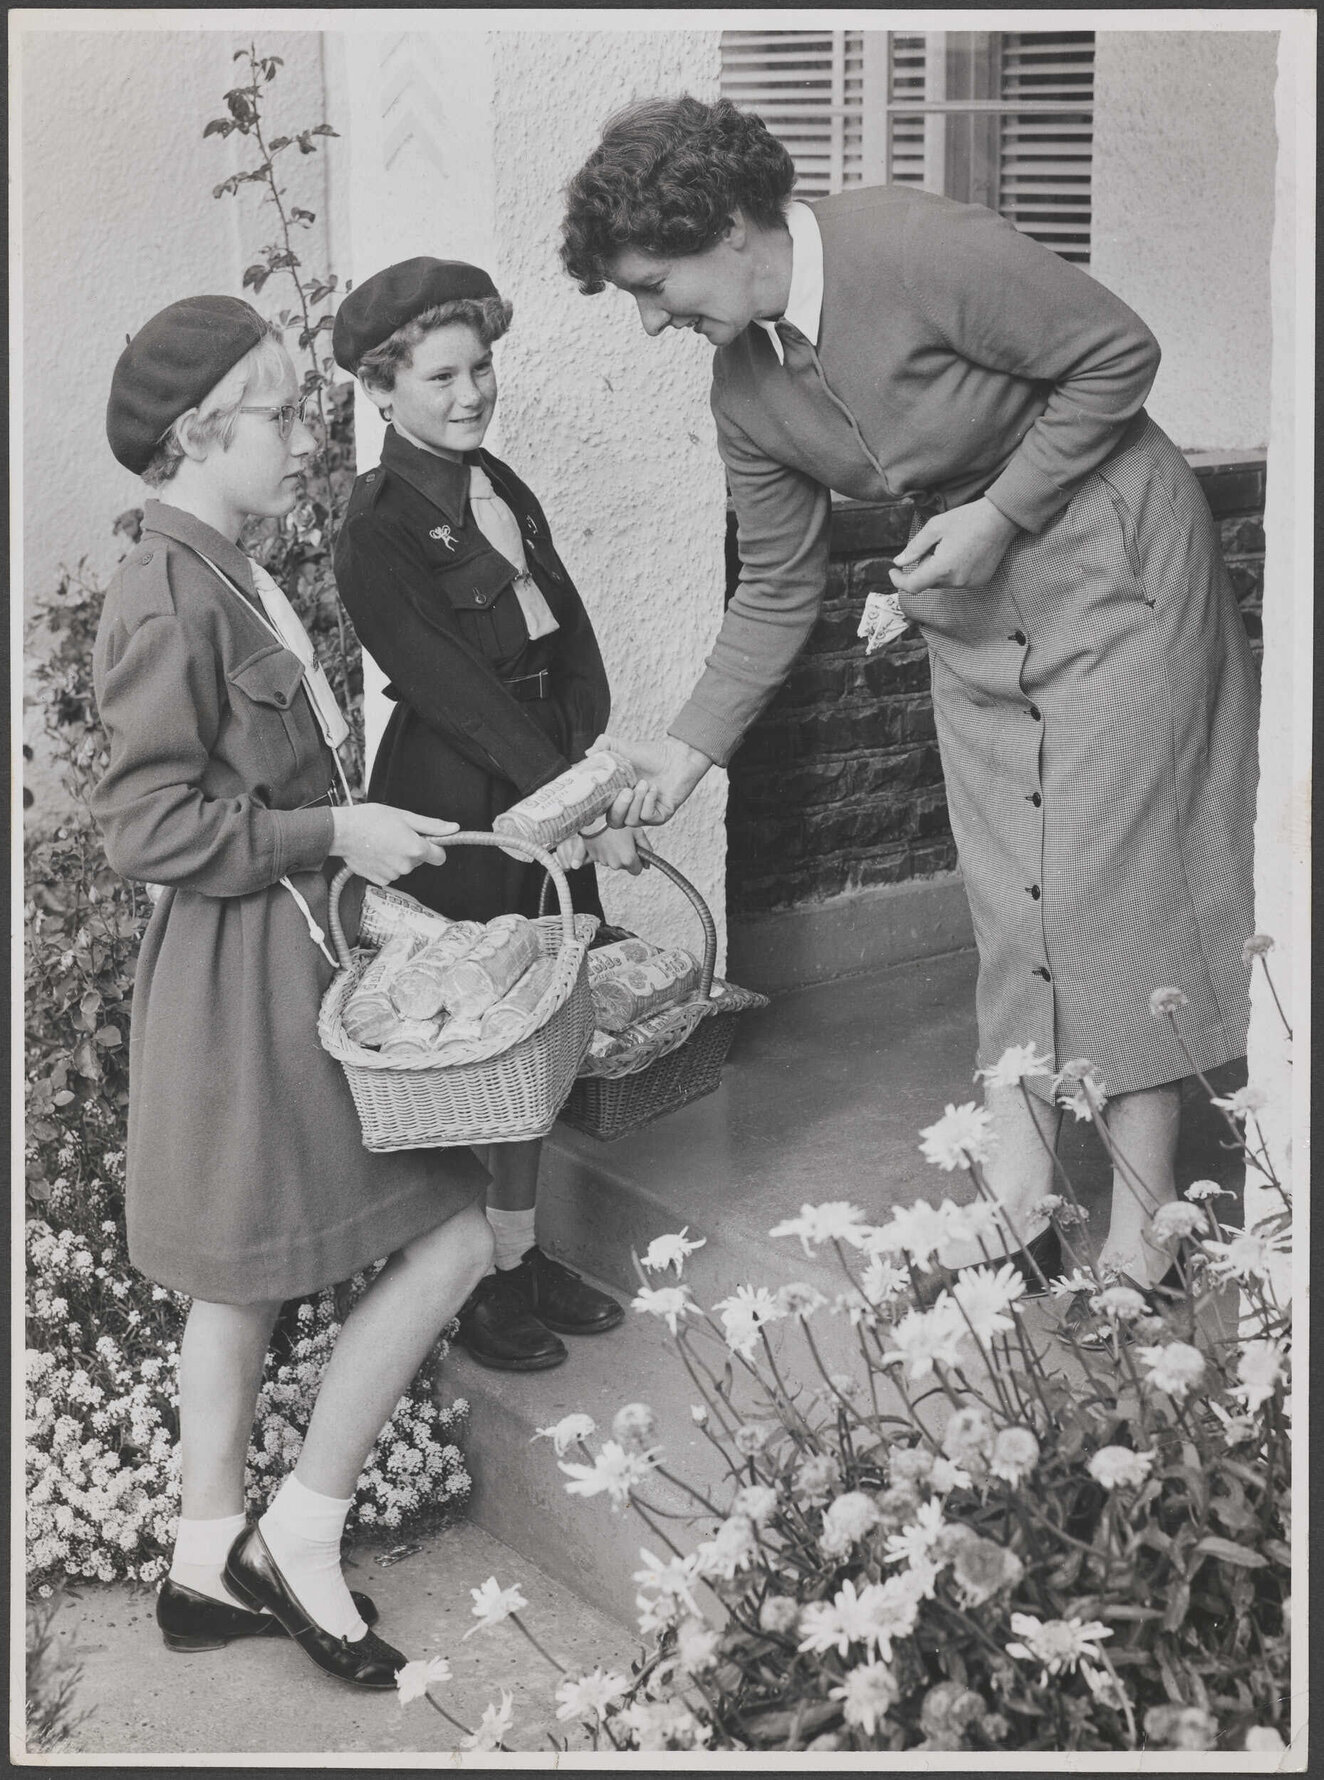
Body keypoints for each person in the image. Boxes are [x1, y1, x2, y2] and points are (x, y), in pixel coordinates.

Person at [558, 96, 1260, 1312]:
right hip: (977, 609)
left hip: (1109, 563)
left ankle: (1151, 1228)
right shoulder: (744, 387)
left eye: (654, 282)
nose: (649, 316)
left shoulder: (916, 244)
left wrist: (998, 513)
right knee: (1014, 895)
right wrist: (685, 754)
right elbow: (778, 583)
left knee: (1111, 889)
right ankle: (1022, 1206)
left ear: (726, 225)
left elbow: (1118, 353)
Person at [93, 295, 496, 1688]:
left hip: (279, 956)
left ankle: (207, 1562)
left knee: (239, 1276)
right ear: (203, 434)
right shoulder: (168, 588)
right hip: (245, 976)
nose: (304, 439)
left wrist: (363, 869)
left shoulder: (226, 568)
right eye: (278, 414)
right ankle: (301, 1537)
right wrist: (335, 838)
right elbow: (143, 830)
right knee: (460, 1232)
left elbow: (266, 780)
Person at [331, 258, 636, 1373]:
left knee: (542, 1016)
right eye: (443, 375)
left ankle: (520, 1248)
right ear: (382, 388)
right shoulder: (375, 528)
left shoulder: (495, 479)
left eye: (483, 367)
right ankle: (470, 1276)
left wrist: (590, 765)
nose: (472, 393)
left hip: (540, 772)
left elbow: (566, 640)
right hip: (461, 798)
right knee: (473, 1036)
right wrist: (571, 803)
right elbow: (457, 694)